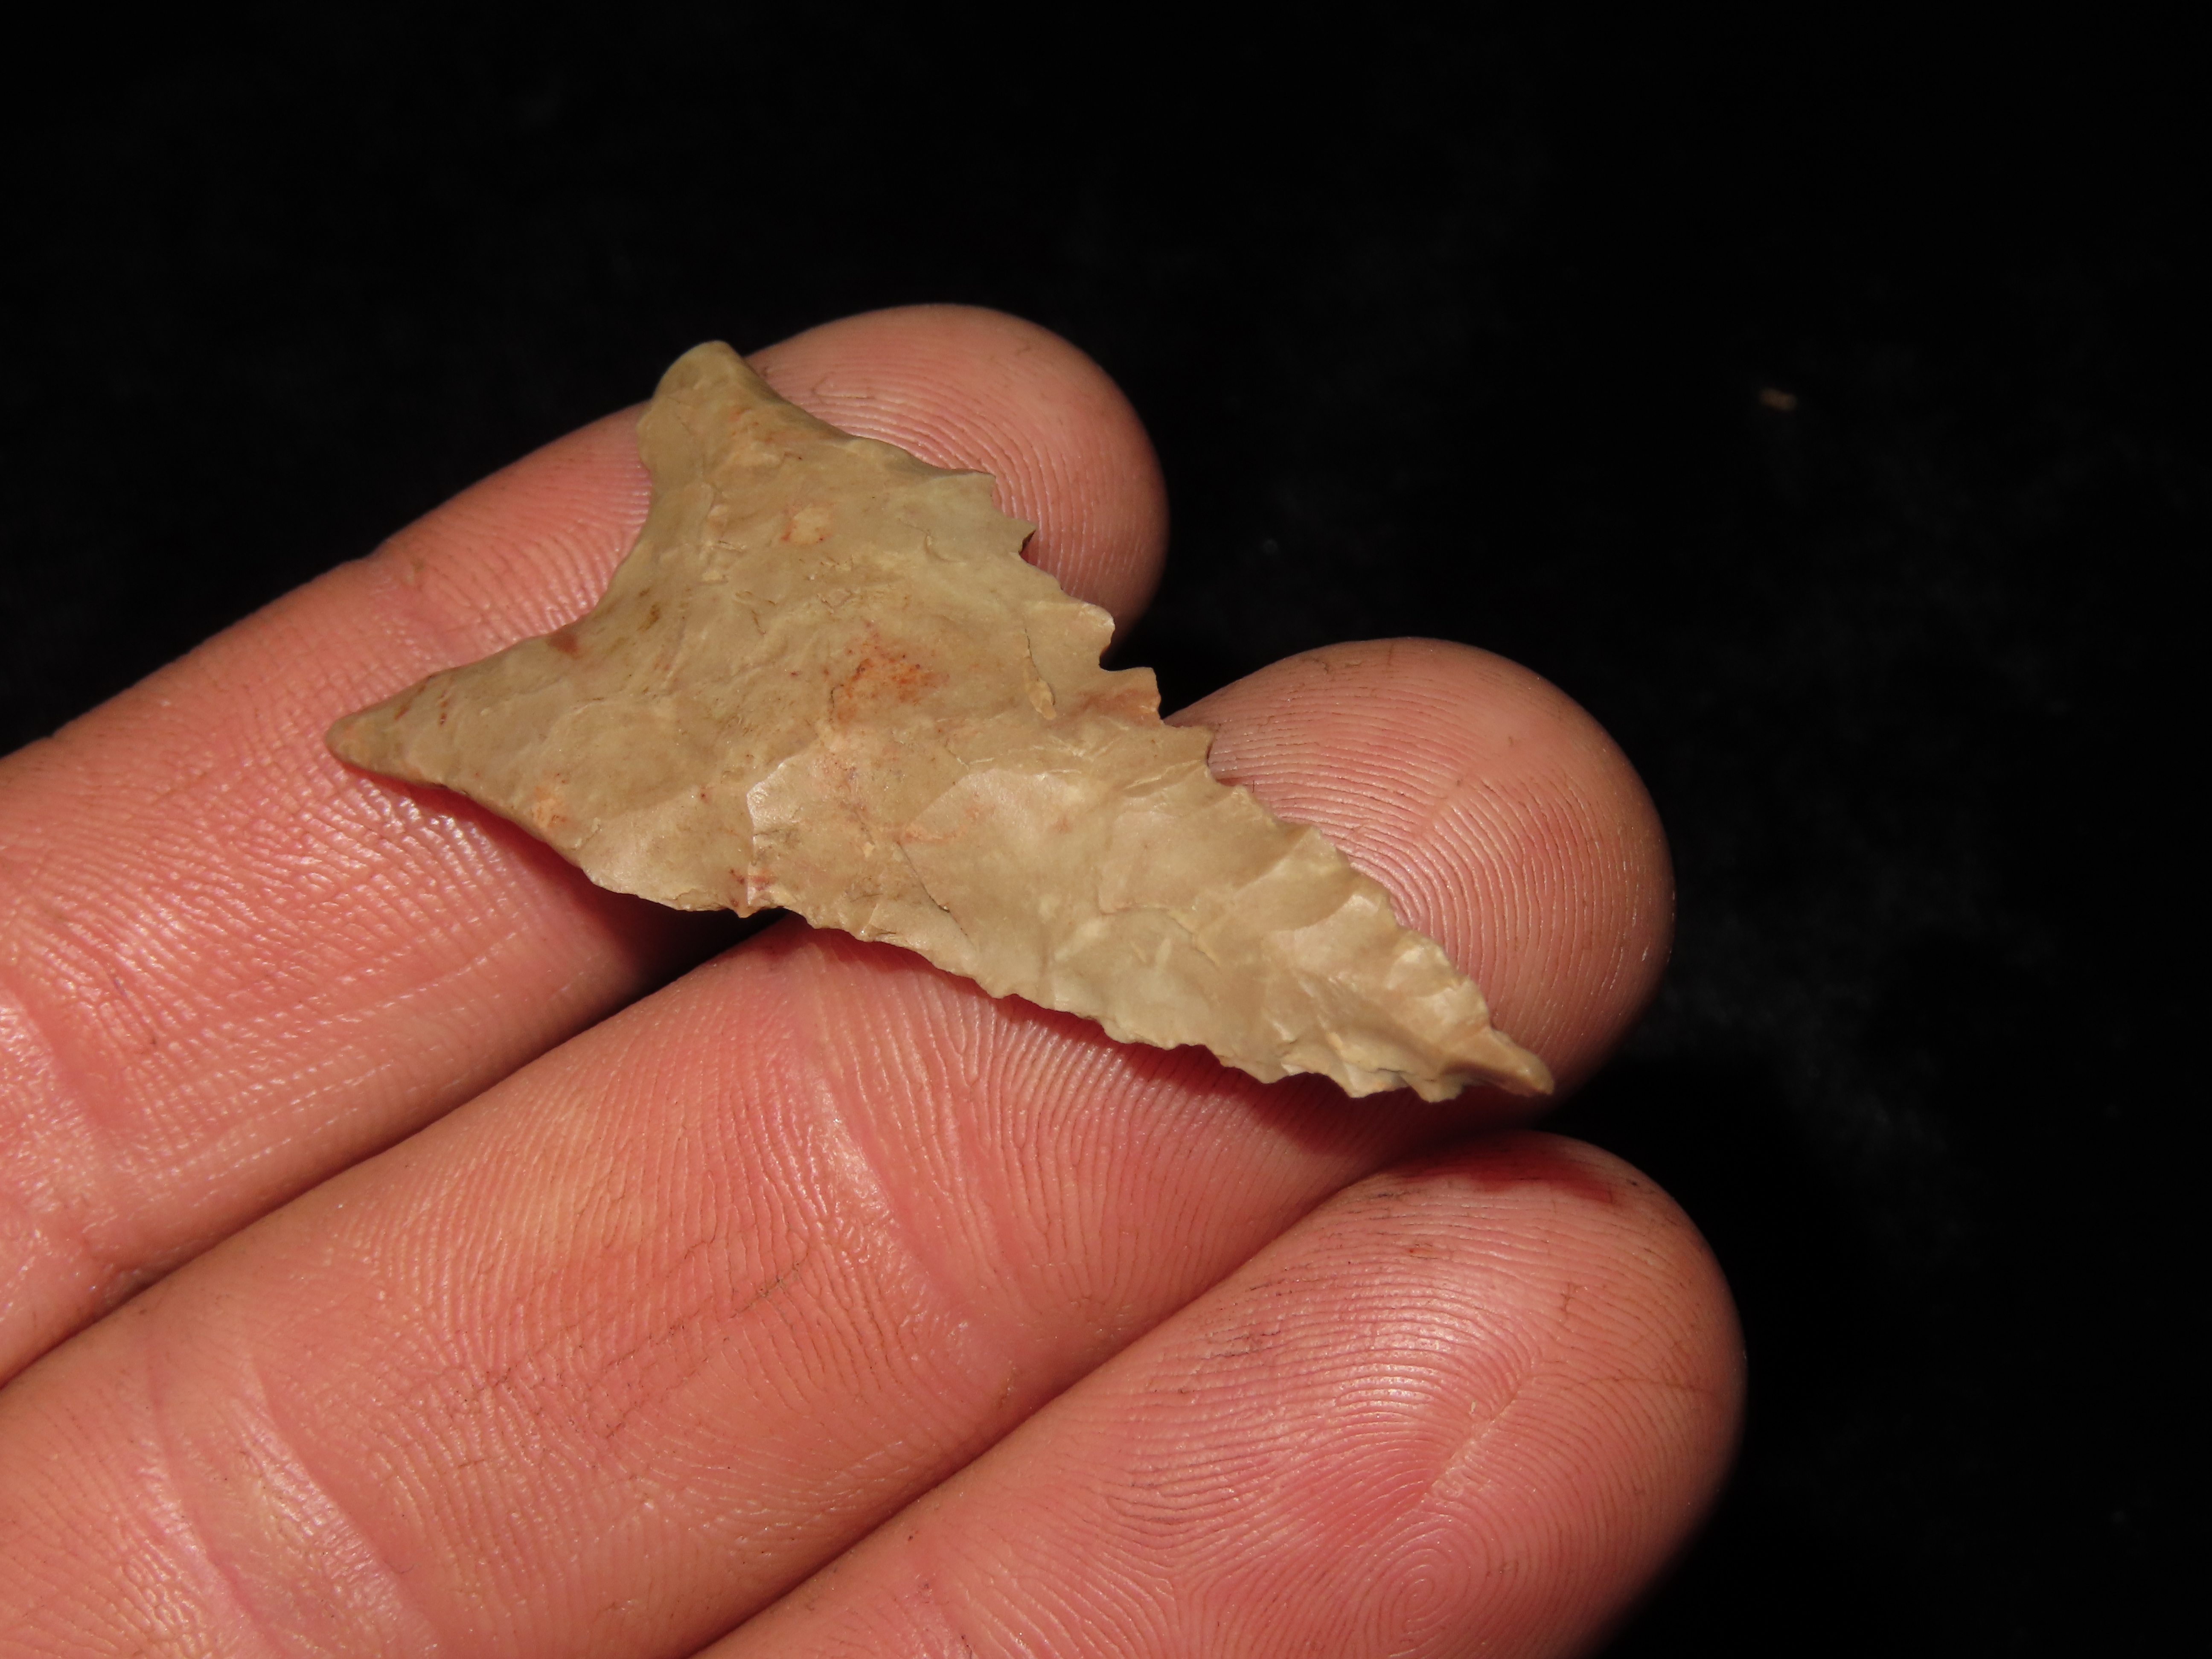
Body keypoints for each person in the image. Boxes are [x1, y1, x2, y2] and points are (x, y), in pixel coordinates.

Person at [0, 306, 1741, 1656]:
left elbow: (701, 435)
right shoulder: (591, 679)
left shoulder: (673, 591)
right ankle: (1402, 1015)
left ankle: (1403, 1016)